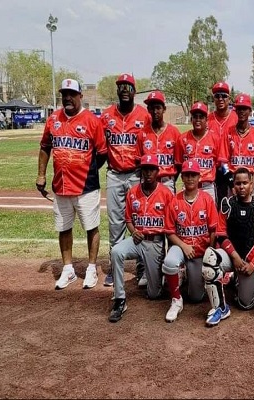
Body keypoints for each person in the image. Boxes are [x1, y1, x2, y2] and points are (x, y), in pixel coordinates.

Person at [36, 78, 107, 290]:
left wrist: (87, 170)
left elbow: (102, 153)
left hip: (86, 186)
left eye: (71, 94)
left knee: (91, 227)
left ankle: (92, 268)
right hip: (61, 185)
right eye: (64, 94)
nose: (67, 98)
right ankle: (68, 270)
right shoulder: (53, 119)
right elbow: (45, 147)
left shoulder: (92, 121)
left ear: (80, 97)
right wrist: (41, 174)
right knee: (64, 227)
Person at [108, 154, 174, 322]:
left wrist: (169, 254)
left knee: (154, 294)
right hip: (137, 241)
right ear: (141, 172)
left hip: (155, 243)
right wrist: (132, 231)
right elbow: (128, 219)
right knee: (116, 251)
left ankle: (161, 276)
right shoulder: (132, 193)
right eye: (145, 169)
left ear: (157, 171)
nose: (148, 173)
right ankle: (120, 299)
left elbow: (172, 226)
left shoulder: (166, 194)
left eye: (151, 169)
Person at [201, 167, 254, 326]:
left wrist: (252, 264)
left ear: (252, 184)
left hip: (251, 259)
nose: (242, 186)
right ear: (234, 186)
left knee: (246, 304)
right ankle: (220, 308)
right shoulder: (227, 204)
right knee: (210, 257)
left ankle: (238, 279)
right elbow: (221, 234)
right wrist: (235, 258)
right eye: (238, 183)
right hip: (232, 257)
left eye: (245, 183)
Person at [101, 73, 151, 287]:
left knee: (139, 219)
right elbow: (101, 147)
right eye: (120, 86)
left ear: (134, 90)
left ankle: (141, 266)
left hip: (135, 174)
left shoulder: (144, 115)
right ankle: (115, 267)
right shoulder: (106, 116)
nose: (124, 89)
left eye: (128, 86)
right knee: (115, 223)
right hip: (114, 173)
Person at [161, 159, 218, 323]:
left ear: (199, 177)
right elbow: (169, 232)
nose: (190, 178)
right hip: (181, 246)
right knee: (170, 261)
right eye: (187, 175)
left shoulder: (207, 200)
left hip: (200, 252)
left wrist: (210, 251)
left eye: (193, 175)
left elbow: (213, 230)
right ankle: (176, 300)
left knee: (195, 297)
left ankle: (186, 274)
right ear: (183, 178)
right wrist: (184, 246)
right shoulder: (175, 201)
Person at [218, 93, 254, 197]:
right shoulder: (228, 132)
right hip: (234, 182)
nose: (242, 111)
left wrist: (252, 185)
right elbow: (223, 163)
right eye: (239, 109)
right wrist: (231, 184)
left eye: (245, 108)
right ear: (235, 111)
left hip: (250, 181)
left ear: (250, 111)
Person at [175, 101, 220, 202]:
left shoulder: (215, 139)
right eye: (195, 117)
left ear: (206, 119)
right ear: (191, 119)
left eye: (201, 117)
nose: (198, 120)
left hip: (207, 187)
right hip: (188, 186)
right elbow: (178, 164)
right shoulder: (182, 139)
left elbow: (218, 164)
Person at [138, 90, 179, 194]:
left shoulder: (174, 132)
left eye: (158, 108)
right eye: (152, 108)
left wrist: (171, 177)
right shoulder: (142, 133)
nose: (155, 111)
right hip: (148, 181)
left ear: (164, 109)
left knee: (169, 210)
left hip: (167, 181)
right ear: (148, 109)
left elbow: (178, 163)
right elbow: (139, 161)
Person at [207, 81, 238, 204]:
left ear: (229, 98)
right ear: (213, 98)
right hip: (212, 170)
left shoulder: (236, 117)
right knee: (215, 204)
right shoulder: (207, 119)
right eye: (217, 96)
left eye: (224, 96)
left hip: (231, 168)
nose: (220, 99)